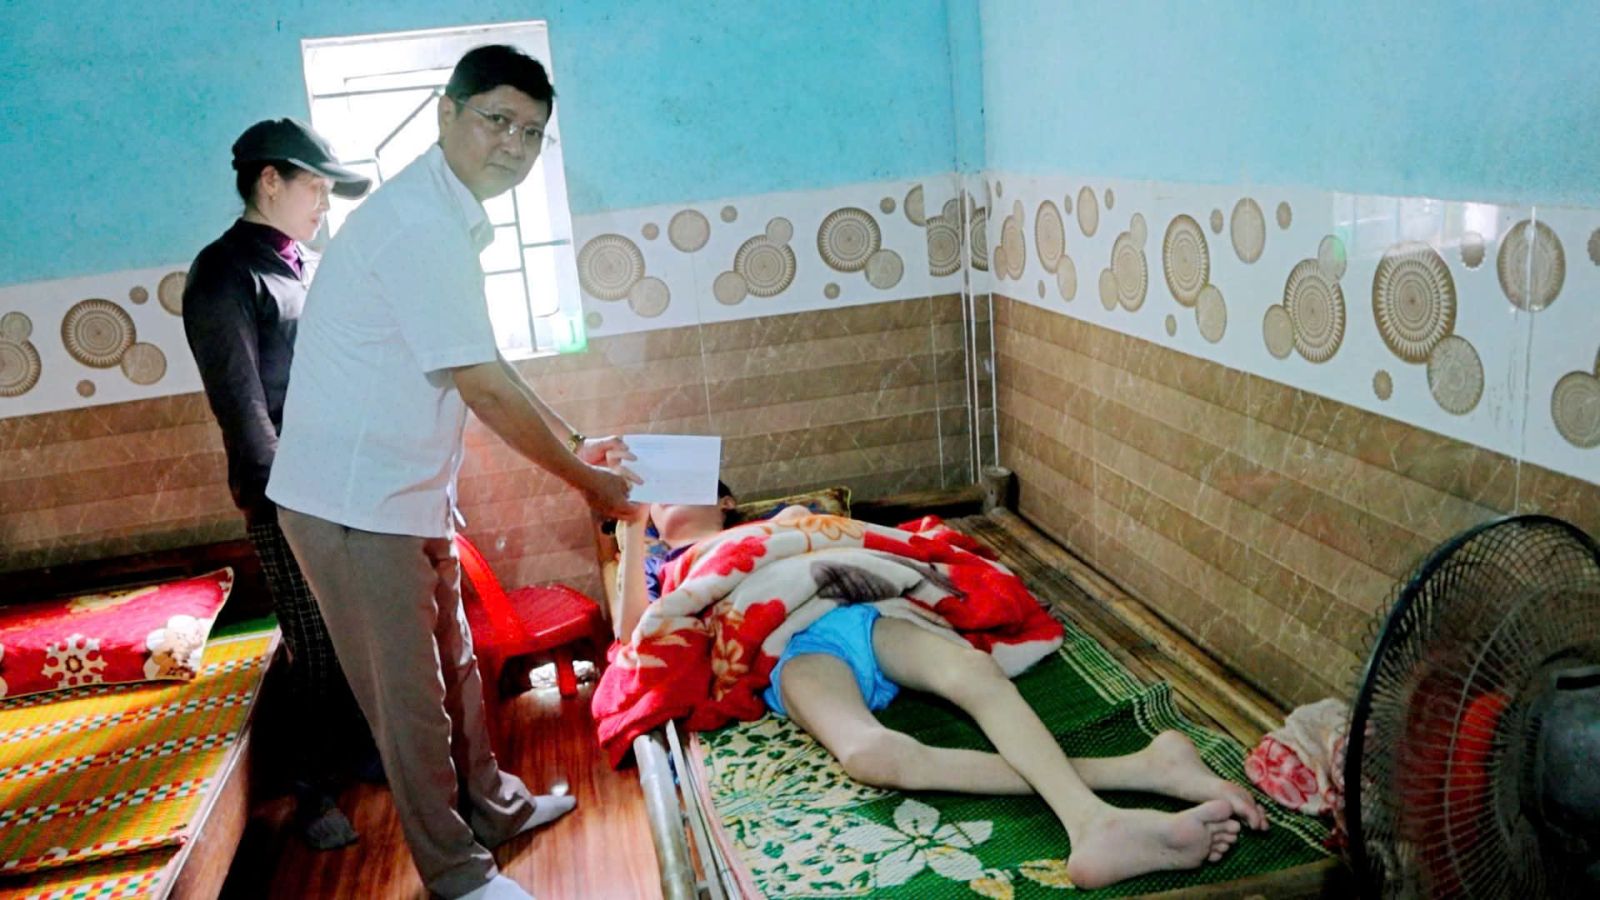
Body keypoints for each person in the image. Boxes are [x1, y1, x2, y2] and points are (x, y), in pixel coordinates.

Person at [265, 46, 637, 900]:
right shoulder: (419, 224)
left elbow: (487, 361)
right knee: (407, 699)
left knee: (457, 670)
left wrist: (580, 441)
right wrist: (586, 483)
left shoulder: (446, 213)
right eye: (497, 120)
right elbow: (482, 386)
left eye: (532, 132)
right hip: (351, 505)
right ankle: (455, 873)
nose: (514, 143)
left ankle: (495, 809)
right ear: (446, 112)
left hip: (403, 493)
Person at [613, 486, 1271, 891]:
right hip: (792, 650)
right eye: (655, 501)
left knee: (973, 675)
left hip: (862, 603)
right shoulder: (668, 570)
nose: (662, 501)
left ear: (727, 500)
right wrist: (630, 528)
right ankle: (1143, 770)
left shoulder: (788, 518)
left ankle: (1092, 823)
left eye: (675, 489)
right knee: (871, 756)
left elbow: (851, 543)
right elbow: (636, 640)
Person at [181, 119, 376, 850]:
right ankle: (311, 795)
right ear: (270, 181)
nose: (324, 203)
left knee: (354, 633)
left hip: (342, 480)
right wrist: (291, 506)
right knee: (312, 645)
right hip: (286, 498)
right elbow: (243, 409)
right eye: (315, 187)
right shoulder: (222, 274)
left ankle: (360, 755)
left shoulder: (302, 265)